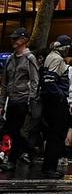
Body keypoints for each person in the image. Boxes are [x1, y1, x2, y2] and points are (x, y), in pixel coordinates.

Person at [0, 28, 39, 174]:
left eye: (16, 38)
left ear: (24, 40)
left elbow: (35, 81)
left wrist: (31, 100)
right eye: (12, 38)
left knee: (15, 130)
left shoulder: (30, 58)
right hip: (12, 100)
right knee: (11, 130)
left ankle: (11, 161)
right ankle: (30, 149)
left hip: (23, 100)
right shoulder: (10, 59)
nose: (13, 41)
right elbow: (4, 83)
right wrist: (2, 103)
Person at [39, 35, 72, 179]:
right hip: (56, 103)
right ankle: (50, 168)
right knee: (56, 135)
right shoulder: (57, 58)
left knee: (54, 135)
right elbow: (50, 80)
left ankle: (49, 166)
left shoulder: (50, 56)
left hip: (50, 101)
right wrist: (61, 97)